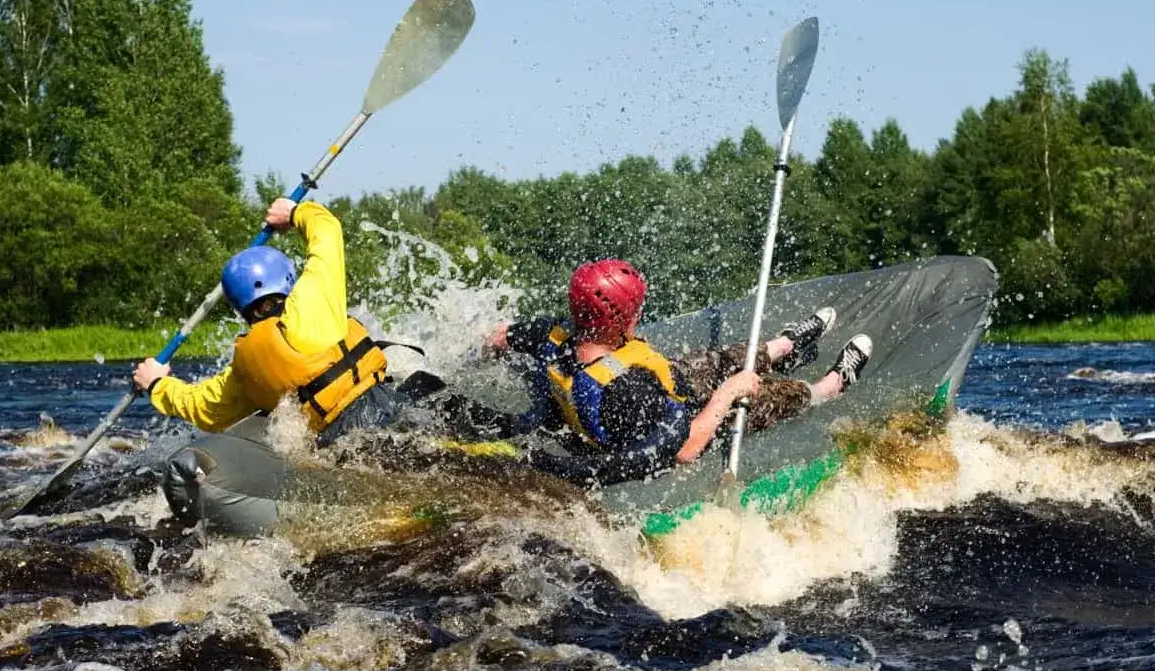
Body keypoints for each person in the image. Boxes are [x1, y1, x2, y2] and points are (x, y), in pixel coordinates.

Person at [442, 258, 873, 486]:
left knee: (718, 358)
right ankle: (829, 386)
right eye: (635, 309)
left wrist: (465, 356)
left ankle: (784, 346)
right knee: (762, 397)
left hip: (667, 384)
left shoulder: (550, 335)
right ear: (618, 321)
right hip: (687, 420)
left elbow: (497, 336)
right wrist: (726, 395)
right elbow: (683, 449)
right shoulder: (630, 393)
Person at [132, 197, 410, 444]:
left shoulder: (245, 366)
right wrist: (294, 213)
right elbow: (327, 230)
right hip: (386, 412)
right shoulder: (309, 302)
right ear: (288, 279)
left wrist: (158, 384)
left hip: (335, 446)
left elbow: (204, 408)